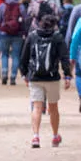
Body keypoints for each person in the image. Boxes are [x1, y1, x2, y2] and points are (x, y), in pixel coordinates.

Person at [20, 11, 73, 148]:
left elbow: (24, 56)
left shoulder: (32, 36)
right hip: (52, 77)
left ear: (40, 23)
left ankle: (35, 137)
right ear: (54, 25)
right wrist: (67, 75)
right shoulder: (57, 37)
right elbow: (64, 58)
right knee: (53, 107)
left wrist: (24, 74)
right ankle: (55, 136)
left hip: (35, 77)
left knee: (37, 107)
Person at [0, 0, 27, 85]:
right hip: (18, 34)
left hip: (4, 33)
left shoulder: (2, 6)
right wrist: (24, 33)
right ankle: (13, 77)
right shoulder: (21, 6)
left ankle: (4, 74)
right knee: (16, 56)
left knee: (4, 54)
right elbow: (25, 20)